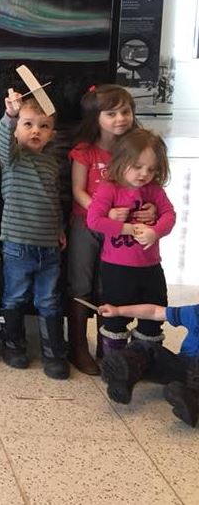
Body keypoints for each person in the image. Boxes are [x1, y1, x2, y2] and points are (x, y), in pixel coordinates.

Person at [67, 84, 147, 374]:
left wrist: (146, 209)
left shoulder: (132, 152)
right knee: (81, 284)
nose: (120, 119)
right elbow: (78, 191)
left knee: (109, 286)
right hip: (86, 224)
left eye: (125, 111)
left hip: (120, 231)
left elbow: (144, 185)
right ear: (95, 118)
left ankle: (108, 345)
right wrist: (103, 213)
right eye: (111, 113)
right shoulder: (84, 152)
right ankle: (76, 346)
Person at [0, 89, 68, 379]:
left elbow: (54, 199)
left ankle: (53, 353)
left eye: (44, 126)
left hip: (49, 246)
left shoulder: (52, 163)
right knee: (14, 296)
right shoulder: (13, 158)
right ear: (17, 130)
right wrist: (10, 116)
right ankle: (12, 345)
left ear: (52, 133)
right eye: (28, 124)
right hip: (18, 245)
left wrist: (60, 228)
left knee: (49, 299)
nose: (36, 130)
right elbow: (2, 143)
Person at [87, 129, 175, 357]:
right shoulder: (110, 188)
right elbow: (94, 220)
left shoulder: (154, 190)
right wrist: (128, 228)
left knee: (153, 319)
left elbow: (170, 215)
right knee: (115, 318)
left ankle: (145, 360)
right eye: (137, 166)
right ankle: (113, 363)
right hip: (117, 269)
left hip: (151, 268)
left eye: (151, 169)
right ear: (122, 160)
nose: (144, 174)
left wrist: (155, 232)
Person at [98, 301, 198, 428]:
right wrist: (118, 310)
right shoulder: (194, 312)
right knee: (147, 348)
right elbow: (155, 311)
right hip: (183, 365)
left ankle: (191, 399)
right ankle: (127, 367)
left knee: (189, 387)